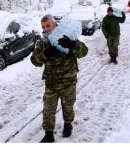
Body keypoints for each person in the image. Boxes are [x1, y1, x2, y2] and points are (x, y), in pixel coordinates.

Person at [30, 14, 88, 143]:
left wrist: (72, 44)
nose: (45, 29)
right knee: (48, 109)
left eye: (48, 25)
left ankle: (68, 124)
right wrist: (45, 54)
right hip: (51, 83)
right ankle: (48, 134)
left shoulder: (66, 36)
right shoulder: (42, 43)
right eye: (43, 27)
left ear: (55, 24)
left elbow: (83, 52)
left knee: (68, 106)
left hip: (68, 81)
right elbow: (35, 61)